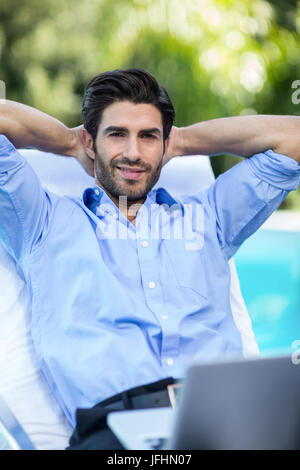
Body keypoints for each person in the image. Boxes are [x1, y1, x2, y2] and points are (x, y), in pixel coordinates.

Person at [0, 68, 299, 449]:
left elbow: (295, 138)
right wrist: (69, 142)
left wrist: (186, 141)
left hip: (229, 421)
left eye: (148, 137)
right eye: (117, 134)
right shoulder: (43, 222)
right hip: (118, 433)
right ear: (92, 142)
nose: (133, 153)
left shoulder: (211, 217)